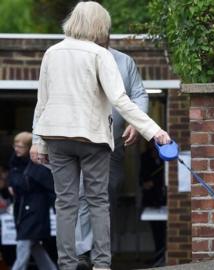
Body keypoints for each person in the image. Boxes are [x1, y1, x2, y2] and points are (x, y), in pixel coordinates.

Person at [30, 2, 171, 270]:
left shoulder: (52, 53)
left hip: (57, 138)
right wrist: (153, 130)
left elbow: (42, 101)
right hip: (92, 139)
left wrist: (38, 141)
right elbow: (120, 99)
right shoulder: (100, 54)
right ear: (100, 26)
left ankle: (67, 264)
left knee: (65, 204)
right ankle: (102, 264)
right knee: (97, 201)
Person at [75, 44, 149, 269]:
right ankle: (84, 251)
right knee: (84, 192)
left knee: (107, 195)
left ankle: (99, 250)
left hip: (114, 145)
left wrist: (137, 122)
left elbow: (139, 94)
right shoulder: (73, 57)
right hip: (82, 141)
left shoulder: (124, 61)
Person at [8, 132, 56, 270]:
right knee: (34, 246)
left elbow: (50, 188)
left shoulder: (39, 166)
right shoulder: (15, 163)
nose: (17, 149)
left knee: (24, 244)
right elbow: (14, 182)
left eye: (21, 146)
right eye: (15, 145)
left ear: (29, 148)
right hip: (22, 210)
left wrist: (57, 209)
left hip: (36, 211)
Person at [139, 142, 167, 267]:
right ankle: (158, 256)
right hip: (150, 198)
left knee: (164, 230)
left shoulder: (165, 157)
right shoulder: (144, 157)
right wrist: (144, 183)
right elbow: (141, 176)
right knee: (155, 231)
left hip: (163, 198)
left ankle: (161, 257)